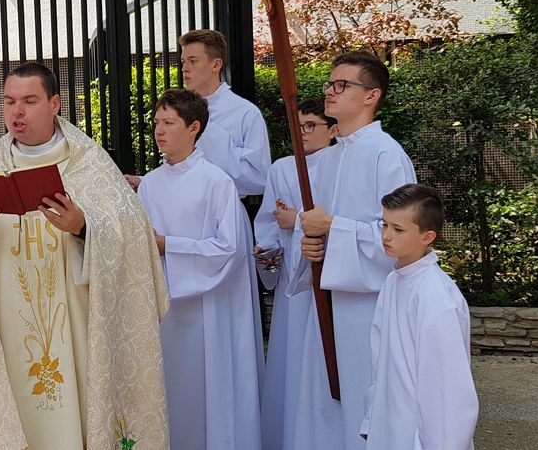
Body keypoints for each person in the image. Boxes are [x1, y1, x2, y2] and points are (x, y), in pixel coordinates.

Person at [0, 62, 169, 450]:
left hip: (75, 322)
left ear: (54, 104)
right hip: (7, 323)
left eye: (29, 101)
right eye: (9, 102)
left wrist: (83, 226)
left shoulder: (90, 164)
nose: (17, 112)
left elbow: (132, 234)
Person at [295, 51, 417, 448]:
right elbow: (320, 227)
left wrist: (332, 227)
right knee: (323, 403)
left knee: (364, 396)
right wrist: (312, 245)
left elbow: (401, 238)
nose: (330, 91)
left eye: (342, 84)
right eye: (330, 83)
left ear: (371, 95)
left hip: (368, 305)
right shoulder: (329, 157)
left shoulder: (387, 155)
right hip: (328, 299)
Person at [137, 89, 261, 450]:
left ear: (194, 128)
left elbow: (229, 250)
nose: (159, 131)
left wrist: (169, 246)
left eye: (169, 123)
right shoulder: (150, 184)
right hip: (165, 308)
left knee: (205, 391)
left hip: (207, 311)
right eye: (157, 122)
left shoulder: (217, 182)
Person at [254, 98, 344, 450]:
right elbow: (268, 218)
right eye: (298, 125)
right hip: (293, 277)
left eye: (311, 126)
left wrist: (297, 222)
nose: (302, 133)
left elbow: (336, 218)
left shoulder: (340, 163)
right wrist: (267, 248)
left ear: (332, 130)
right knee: (290, 357)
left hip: (326, 275)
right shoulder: (281, 168)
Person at [362, 184, 478, 450]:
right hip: (389, 420)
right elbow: (380, 359)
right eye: (384, 225)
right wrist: (372, 418)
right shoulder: (393, 281)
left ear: (427, 236)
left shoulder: (436, 299)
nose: (386, 236)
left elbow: (447, 389)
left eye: (398, 229)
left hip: (419, 432)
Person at [126, 29, 270, 198]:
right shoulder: (177, 110)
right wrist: (146, 182)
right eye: (183, 62)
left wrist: (211, 134)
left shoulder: (246, 114)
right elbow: (181, 167)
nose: (184, 68)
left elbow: (260, 179)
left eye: (193, 61)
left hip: (222, 206)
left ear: (216, 64)